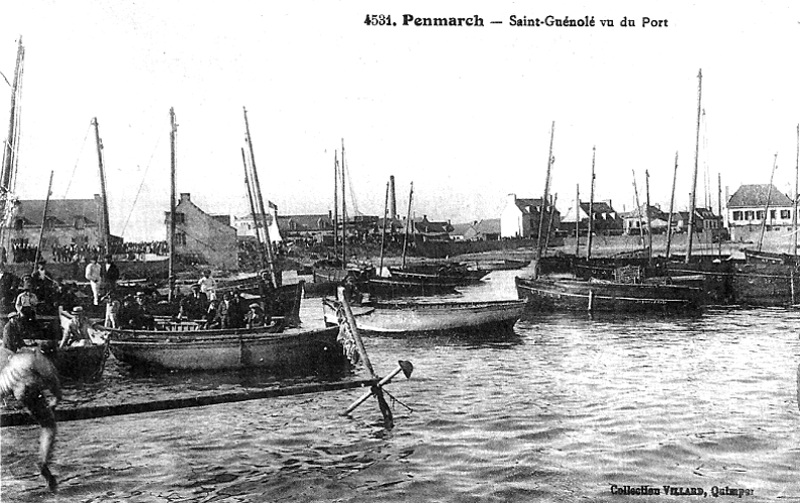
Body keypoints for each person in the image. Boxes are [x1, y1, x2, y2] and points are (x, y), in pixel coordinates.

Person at [0, 343, 62, 491]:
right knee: (49, 426)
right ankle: (43, 463)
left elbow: (3, 385)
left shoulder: (16, 358)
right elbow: (53, 381)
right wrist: (57, 398)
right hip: (28, 386)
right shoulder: (40, 359)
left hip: (12, 386)